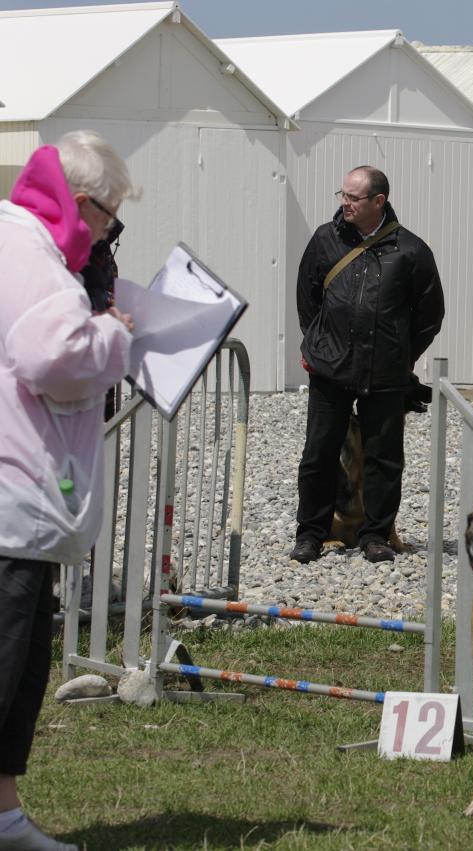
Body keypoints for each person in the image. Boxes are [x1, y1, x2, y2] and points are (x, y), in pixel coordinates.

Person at [0, 131, 136, 851]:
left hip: (18, 498)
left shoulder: (11, 239)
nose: (105, 237)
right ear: (82, 205)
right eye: (109, 221)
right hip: (12, 499)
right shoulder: (36, 262)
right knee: (6, 661)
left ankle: (6, 815)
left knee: (23, 670)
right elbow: (50, 354)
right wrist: (112, 336)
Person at [290, 166, 444, 565]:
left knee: (384, 457)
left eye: (353, 198)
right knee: (318, 454)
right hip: (331, 368)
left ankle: (375, 535)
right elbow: (307, 295)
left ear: (379, 201)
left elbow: (430, 314)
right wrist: (318, 342)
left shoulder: (411, 251)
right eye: (341, 195)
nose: (344, 203)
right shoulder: (325, 240)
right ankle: (311, 533)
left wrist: (401, 355)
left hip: (386, 374)